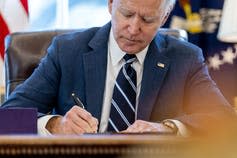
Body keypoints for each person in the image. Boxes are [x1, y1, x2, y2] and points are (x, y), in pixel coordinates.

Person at [2, 0, 236, 136]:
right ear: (111, 4)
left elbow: (224, 120)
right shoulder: (67, 51)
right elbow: (6, 118)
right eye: (127, 13)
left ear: (164, 17)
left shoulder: (185, 58)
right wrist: (55, 124)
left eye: (147, 20)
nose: (133, 29)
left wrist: (166, 129)